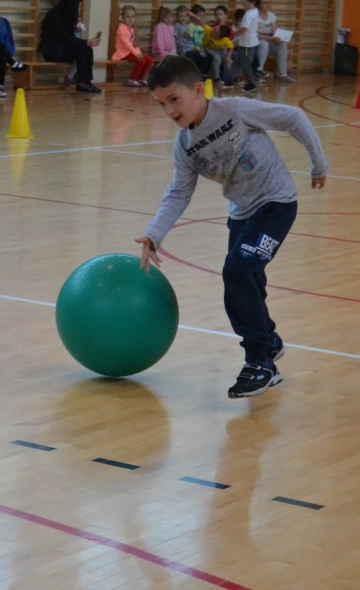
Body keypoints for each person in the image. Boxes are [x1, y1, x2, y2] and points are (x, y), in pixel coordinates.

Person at [134, 56, 329, 398]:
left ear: (198, 90)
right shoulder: (185, 146)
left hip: (276, 203)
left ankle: (261, 362)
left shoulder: (234, 110)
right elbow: (179, 192)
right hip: (241, 214)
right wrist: (154, 234)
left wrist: (318, 163)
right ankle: (267, 339)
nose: (169, 111)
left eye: (174, 100)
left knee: (238, 271)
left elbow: (293, 117)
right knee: (241, 281)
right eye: (161, 104)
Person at [38, 0, 101, 94]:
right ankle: (82, 82)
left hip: (63, 48)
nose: (79, 9)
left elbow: (69, 38)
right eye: (78, 6)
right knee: (83, 49)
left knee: (87, 49)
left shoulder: (65, 16)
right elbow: (65, 38)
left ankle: (85, 81)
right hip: (53, 52)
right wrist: (86, 42)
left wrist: (86, 42)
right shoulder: (54, 16)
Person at [254, 0, 295, 83]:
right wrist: (270, 38)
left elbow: (274, 31)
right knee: (263, 44)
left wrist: (278, 38)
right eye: (264, 3)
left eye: (269, 2)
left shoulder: (271, 16)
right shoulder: (254, 15)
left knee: (282, 45)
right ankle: (258, 72)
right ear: (258, 4)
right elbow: (254, 34)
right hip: (256, 43)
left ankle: (283, 74)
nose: (267, 5)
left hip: (268, 40)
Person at [112, 4, 155, 87]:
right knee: (141, 60)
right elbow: (127, 44)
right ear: (123, 17)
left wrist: (139, 53)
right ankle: (132, 79)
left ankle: (141, 79)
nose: (130, 19)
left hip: (131, 52)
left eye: (132, 17)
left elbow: (135, 45)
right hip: (123, 53)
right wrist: (137, 54)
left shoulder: (133, 28)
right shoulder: (121, 28)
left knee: (149, 59)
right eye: (127, 17)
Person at [235, 0, 259, 93]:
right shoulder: (255, 11)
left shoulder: (248, 14)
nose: (241, 2)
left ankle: (251, 84)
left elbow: (244, 29)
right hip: (252, 42)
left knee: (246, 65)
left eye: (242, 0)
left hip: (247, 44)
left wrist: (233, 34)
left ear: (246, 0)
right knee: (245, 62)